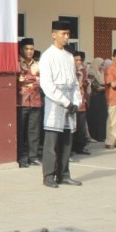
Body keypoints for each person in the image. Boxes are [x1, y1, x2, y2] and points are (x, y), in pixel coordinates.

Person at [39, 21, 82, 188]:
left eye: (68, 34)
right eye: (63, 34)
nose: (66, 37)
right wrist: (64, 101)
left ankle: (64, 174)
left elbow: (75, 82)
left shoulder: (69, 56)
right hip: (55, 102)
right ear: (54, 34)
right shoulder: (47, 56)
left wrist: (76, 101)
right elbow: (47, 84)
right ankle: (48, 176)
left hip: (70, 100)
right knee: (52, 142)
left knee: (66, 140)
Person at [16, 37, 42, 168]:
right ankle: (21, 156)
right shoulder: (17, 63)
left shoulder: (38, 64)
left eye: (32, 49)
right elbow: (18, 79)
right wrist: (34, 78)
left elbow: (42, 81)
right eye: (27, 49)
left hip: (36, 101)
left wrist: (28, 79)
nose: (29, 51)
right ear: (21, 50)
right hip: (21, 102)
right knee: (20, 131)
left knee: (34, 131)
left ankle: (33, 156)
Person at [71, 51, 90, 155]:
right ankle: (72, 147)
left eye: (80, 60)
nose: (78, 62)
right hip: (72, 101)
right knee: (73, 124)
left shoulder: (82, 70)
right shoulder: (69, 70)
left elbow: (86, 82)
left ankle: (80, 146)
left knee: (81, 125)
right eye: (76, 60)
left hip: (82, 100)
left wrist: (85, 80)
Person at [86, 57, 107, 142]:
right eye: (100, 65)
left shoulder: (101, 73)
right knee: (96, 117)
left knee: (102, 117)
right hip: (95, 98)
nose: (102, 66)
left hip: (102, 98)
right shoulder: (91, 73)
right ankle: (95, 136)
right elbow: (96, 87)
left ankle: (101, 136)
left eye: (103, 65)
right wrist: (108, 87)